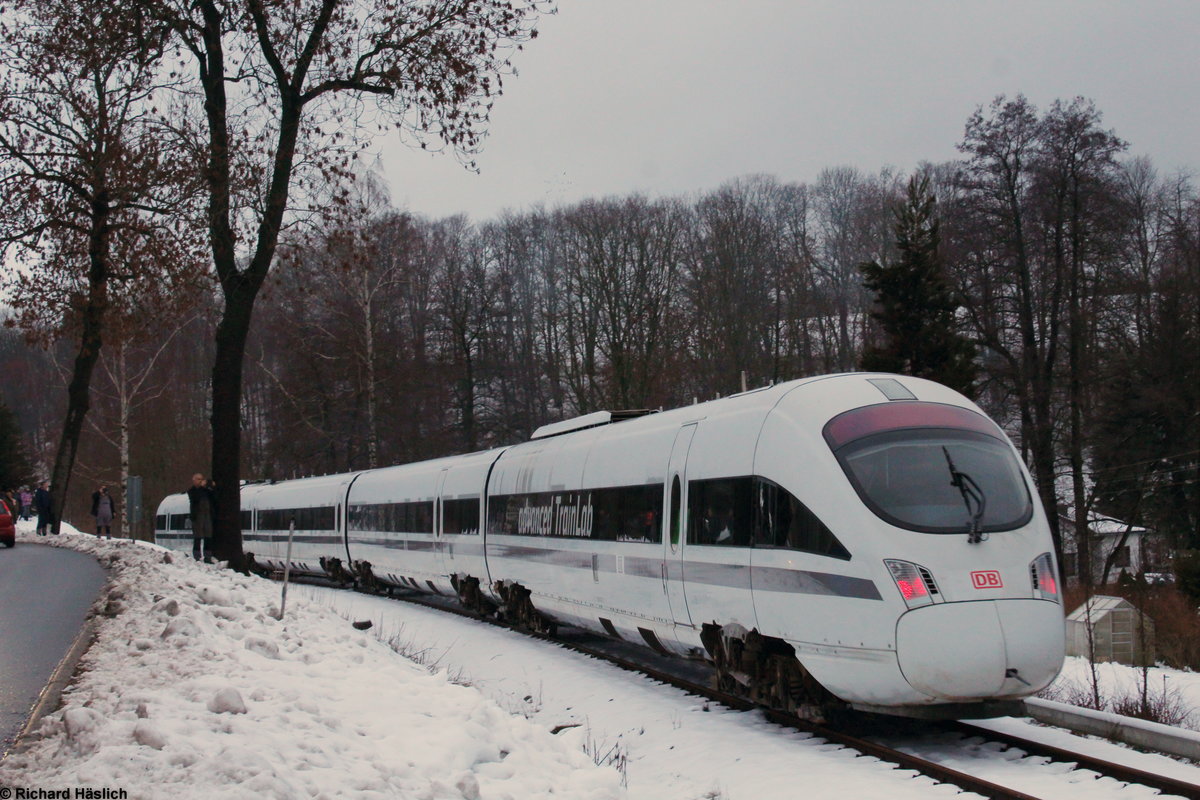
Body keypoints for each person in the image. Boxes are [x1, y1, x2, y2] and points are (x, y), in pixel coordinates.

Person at [187, 473, 215, 562]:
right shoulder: (191, 491)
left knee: (208, 536)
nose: (200, 481)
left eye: (201, 479)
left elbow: (213, 496)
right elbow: (195, 498)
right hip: (197, 516)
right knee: (197, 536)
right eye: (198, 479)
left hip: (207, 515)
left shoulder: (206, 491)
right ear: (194, 480)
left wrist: (211, 486)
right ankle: (197, 556)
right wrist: (201, 488)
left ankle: (208, 556)